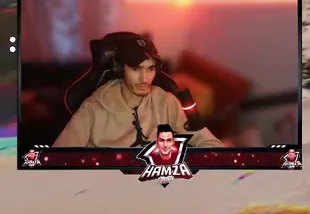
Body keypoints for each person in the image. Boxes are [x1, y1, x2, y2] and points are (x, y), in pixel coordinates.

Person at [53, 34, 223, 149]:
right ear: (121, 70)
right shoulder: (92, 108)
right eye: (136, 69)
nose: (144, 78)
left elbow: (211, 144)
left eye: (150, 69)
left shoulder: (166, 102)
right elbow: (59, 160)